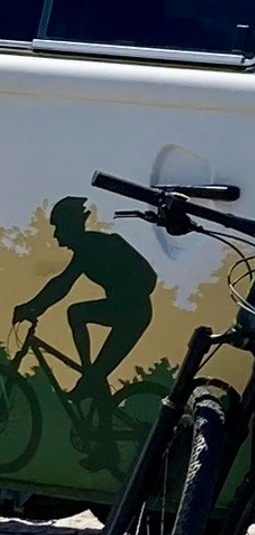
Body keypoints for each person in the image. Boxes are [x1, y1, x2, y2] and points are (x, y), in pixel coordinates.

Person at [10, 197, 158, 466]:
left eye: (59, 228)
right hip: (126, 309)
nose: (56, 235)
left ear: (72, 226)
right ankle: (90, 377)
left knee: (78, 318)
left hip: (132, 313)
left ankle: (91, 382)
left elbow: (62, 285)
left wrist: (32, 308)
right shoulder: (89, 248)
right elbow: (60, 285)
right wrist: (34, 307)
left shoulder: (93, 247)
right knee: (81, 327)